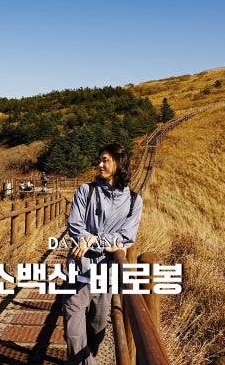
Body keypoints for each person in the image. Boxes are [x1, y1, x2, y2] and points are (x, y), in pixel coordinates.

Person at [63, 143, 143, 365]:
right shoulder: (85, 191)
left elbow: (125, 237)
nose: (100, 164)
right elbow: (75, 226)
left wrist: (94, 240)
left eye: (105, 160)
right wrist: (102, 242)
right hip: (78, 270)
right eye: (99, 160)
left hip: (105, 275)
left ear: (119, 163)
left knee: (97, 329)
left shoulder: (134, 201)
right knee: (73, 332)